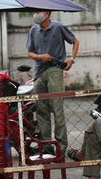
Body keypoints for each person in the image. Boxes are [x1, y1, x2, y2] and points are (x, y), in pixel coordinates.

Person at [27, 10, 80, 156]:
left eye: (39, 11)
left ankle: (61, 146)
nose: (36, 14)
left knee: (57, 109)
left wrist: (72, 59)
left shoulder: (58, 27)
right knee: (41, 110)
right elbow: (29, 52)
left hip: (55, 70)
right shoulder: (33, 30)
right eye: (35, 11)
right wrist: (40, 57)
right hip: (39, 72)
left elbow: (75, 41)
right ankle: (46, 145)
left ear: (47, 13)